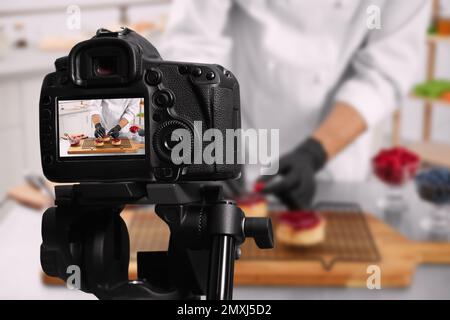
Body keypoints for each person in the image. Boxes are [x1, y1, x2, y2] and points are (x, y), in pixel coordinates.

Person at [161, 0, 430, 209]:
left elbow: (384, 71)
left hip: (333, 154)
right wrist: (211, 140)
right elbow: (192, 41)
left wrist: (314, 154)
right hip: (240, 129)